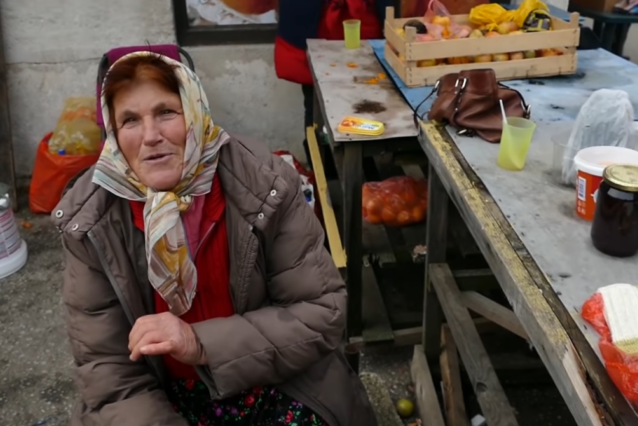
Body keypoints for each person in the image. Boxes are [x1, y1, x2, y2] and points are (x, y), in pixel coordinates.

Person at [52, 51, 377, 426]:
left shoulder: (263, 183)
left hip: (274, 378)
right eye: (130, 120)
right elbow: (107, 369)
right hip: (161, 396)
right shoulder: (91, 220)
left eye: (166, 112)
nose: (151, 136)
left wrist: (200, 343)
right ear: (113, 132)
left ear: (195, 111)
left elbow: (320, 312)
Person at [274, 0, 390, 139]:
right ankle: (320, 150)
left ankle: (368, 150)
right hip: (315, 30)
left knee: (372, 106)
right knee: (316, 107)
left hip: (365, 30)